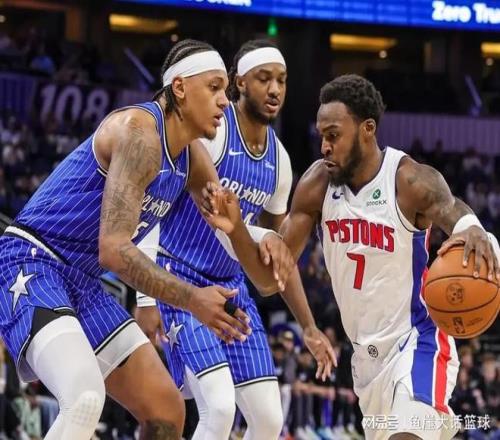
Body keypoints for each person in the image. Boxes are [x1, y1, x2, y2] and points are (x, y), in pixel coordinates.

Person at [0, 39, 293, 440]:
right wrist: (192, 298)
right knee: (84, 398)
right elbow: (114, 249)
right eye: (214, 87)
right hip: (33, 260)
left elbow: (235, 239)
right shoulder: (139, 133)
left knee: (166, 411)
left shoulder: (194, 158)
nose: (225, 101)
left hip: (83, 280)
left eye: (225, 90)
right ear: (179, 88)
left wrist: (264, 237)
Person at [207, 74, 500, 440]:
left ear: (367, 129)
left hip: (417, 343)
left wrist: (473, 228)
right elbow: (270, 280)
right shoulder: (316, 185)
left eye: (333, 135)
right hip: (365, 362)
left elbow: (451, 208)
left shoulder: (406, 179)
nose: (324, 147)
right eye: (321, 136)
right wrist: (237, 229)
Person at [136, 40, 335, 440]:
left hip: (231, 288)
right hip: (181, 278)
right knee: (220, 408)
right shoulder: (212, 132)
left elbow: (279, 256)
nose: (274, 89)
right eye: (264, 79)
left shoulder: (280, 162)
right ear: (239, 83)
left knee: (269, 419)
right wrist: (145, 298)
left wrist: (309, 326)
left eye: (282, 80)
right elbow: (154, 203)